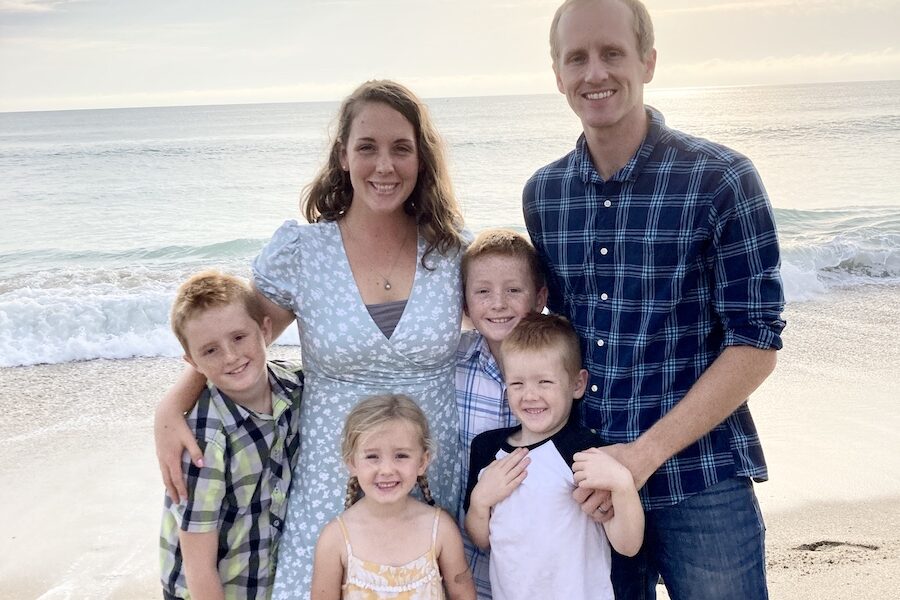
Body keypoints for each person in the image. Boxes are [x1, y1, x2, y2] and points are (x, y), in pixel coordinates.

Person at [155, 80, 467, 599]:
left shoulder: (453, 253)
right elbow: (239, 341)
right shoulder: (303, 252)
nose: (384, 166)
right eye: (366, 147)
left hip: (428, 471)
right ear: (343, 155)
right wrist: (172, 406)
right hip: (329, 475)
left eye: (401, 148)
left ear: (422, 158)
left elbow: (509, 338)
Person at [523, 1, 787, 598]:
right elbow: (554, 336)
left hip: (703, 480)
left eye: (612, 53)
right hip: (586, 485)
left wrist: (643, 456)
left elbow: (757, 343)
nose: (595, 73)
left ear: (648, 61)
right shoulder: (545, 193)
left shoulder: (721, 178)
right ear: (557, 74)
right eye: (577, 58)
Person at [464, 314, 644, 600]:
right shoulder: (487, 450)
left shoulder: (586, 452)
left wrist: (622, 485)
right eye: (517, 384)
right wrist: (480, 502)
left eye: (544, 382)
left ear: (577, 384)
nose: (530, 395)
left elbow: (628, 544)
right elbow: (482, 540)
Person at [159, 271, 304, 600]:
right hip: (205, 588)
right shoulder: (204, 440)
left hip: (262, 579)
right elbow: (198, 564)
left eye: (239, 337)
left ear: (265, 329)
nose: (230, 356)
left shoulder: (296, 388)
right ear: (191, 362)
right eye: (210, 350)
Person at [454, 228, 547, 599]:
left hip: (529, 559)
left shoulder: (557, 362)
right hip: (463, 553)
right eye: (483, 291)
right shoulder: (451, 361)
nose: (498, 303)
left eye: (513, 290)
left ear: (540, 298)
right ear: (464, 304)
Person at [310, 394, 476, 600]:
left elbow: (464, 595)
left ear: (423, 461)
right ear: (352, 462)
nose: (387, 469)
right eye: (372, 456)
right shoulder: (335, 539)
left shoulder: (440, 528)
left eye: (401, 456)